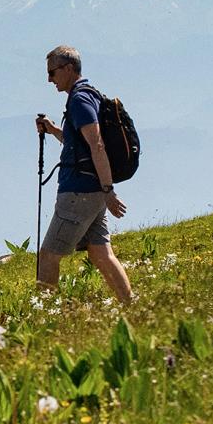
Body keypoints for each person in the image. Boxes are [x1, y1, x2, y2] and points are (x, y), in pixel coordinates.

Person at [35, 45, 133, 304]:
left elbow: (96, 144)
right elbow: (78, 141)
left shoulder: (79, 100)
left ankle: (44, 313)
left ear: (68, 69)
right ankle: (130, 304)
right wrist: (53, 129)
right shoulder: (88, 95)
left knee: (48, 255)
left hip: (80, 192)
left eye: (52, 73)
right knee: (101, 254)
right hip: (92, 191)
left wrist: (108, 191)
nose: (49, 79)